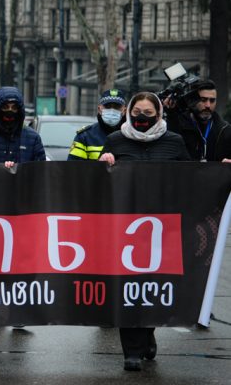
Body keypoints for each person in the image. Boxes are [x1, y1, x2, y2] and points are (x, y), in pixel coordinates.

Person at [99, 92, 190, 371]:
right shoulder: (116, 140)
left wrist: (220, 172)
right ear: (129, 112)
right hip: (125, 229)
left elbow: (192, 178)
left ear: (159, 115)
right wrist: (104, 164)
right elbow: (99, 184)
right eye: (137, 111)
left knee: (153, 286)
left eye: (148, 113)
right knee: (128, 287)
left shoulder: (174, 142)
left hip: (163, 230)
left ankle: (148, 332)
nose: (142, 118)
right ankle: (132, 351)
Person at [164, 79, 231, 161]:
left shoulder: (225, 130)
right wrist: (171, 114)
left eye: (212, 100)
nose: (208, 105)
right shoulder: (178, 124)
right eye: (203, 100)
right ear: (192, 99)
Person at [0, 87, 45, 163]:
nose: (10, 111)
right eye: (5, 107)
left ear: (19, 111)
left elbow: (40, 170)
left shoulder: (33, 138)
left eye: (14, 108)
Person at [69, 89, 126, 161]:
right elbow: (73, 169)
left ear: (124, 111)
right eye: (107, 106)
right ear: (99, 109)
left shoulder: (131, 136)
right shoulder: (85, 136)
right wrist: (98, 165)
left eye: (117, 107)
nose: (112, 110)